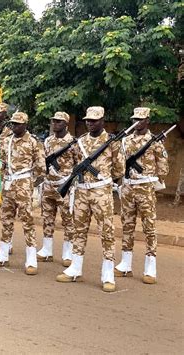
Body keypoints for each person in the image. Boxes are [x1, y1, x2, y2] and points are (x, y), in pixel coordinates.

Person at [56, 106, 125, 292]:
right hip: (81, 193)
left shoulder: (112, 142)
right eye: (87, 120)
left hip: (101, 192)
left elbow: (120, 169)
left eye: (94, 120)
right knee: (79, 230)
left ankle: (108, 274)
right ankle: (75, 268)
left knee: (107, 233)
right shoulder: (80, 142)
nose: (90, 123)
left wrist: (103, 179)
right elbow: (74, 165)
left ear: (102, 121)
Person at [115, 107, 169, 284]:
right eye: (134, 119)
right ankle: (125, 264)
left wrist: (150, 177)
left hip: (145, 187)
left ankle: (150, 268)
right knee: (127, 225)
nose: (136, 122)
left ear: (147, 121)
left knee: (149, 227)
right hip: (128, 188)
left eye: (140, 119)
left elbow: (164, 168)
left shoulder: (155, 142)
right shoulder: (125, 141)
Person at [0, 112, 46, 274]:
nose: (14, 126)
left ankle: (31, 258)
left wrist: (32, 182)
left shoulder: (33, 142)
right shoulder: (7, 141)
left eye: (18, 124)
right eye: (13, 124)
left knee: (27, 221)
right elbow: (1, 161)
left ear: (25, 125)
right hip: (8, 184)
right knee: (6, 218)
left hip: (23, 183)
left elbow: (41, 166)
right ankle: (3, 253)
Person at [37, 112, 77, 266]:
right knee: (47, 218)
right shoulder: (47, 141)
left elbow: (77, 164)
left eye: (59, 122)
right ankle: (47, 250)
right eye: (54, 121)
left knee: (68, 219)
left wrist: (71, 181)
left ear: (66, 124)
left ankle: (68, 252)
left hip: (65, 185)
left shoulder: (72, 142)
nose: (55, 124)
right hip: (48, 185)